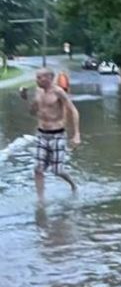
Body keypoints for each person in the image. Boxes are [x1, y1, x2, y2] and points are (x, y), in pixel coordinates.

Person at [19, 68, 81, 198]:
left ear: (49, 78)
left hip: (57, 134)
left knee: (57, 170)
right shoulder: (38, 91)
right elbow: (32, 112)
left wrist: (76, 134)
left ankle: (73, 185)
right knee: (38, 169)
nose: (37, 80)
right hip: (41, 134)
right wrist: (24, 99)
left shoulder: (58, 92)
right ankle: (40, 200)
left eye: (40, 77)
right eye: (37, 77)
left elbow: (73, 110)